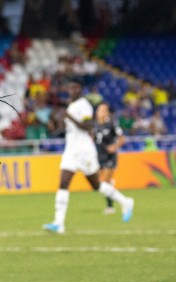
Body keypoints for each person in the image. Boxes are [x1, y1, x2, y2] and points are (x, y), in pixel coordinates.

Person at [43, 79, 134, 234]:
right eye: (70, 87)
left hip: (84, 150)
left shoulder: (84, 105)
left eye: (76, 87)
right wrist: (59, 121)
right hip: (71, 149)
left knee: (96, 185)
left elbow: (87, 126)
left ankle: (125, 201)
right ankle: (59, 223)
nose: (72, 90)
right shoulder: (71, 106)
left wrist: (68, 117)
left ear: (81, 89)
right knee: (63, 182)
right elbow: (68, 128)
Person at [94, 103, 126, 215]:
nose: (100, 112)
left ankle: (110, 207)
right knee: (99, 183)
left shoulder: (112, 124)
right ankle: (112, 188)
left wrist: (114, 146)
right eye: (98, 110)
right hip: (98, 158)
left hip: (110, 157)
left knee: (104, 182)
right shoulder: (95, 126)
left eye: (102, 110)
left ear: (107, 113)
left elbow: (122, 139)